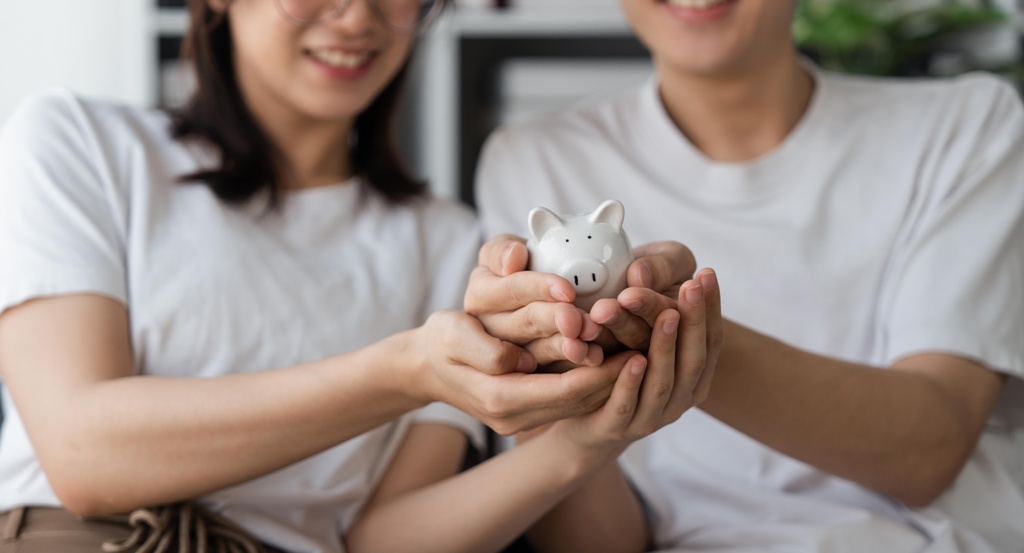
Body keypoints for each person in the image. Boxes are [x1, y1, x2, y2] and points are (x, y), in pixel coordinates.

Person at [0, 0, 722, 552]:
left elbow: (380, 540)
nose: (358, 16)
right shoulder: (80, 143)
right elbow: (83, 453)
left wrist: (584, 441)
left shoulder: (447, 243)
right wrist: (408, 367)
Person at [469, 0, 1024, 552]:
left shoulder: (966, 126)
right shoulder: (535, 160)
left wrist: (674, 329)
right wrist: (543, 384)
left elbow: (929, 451)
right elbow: (600, 540)